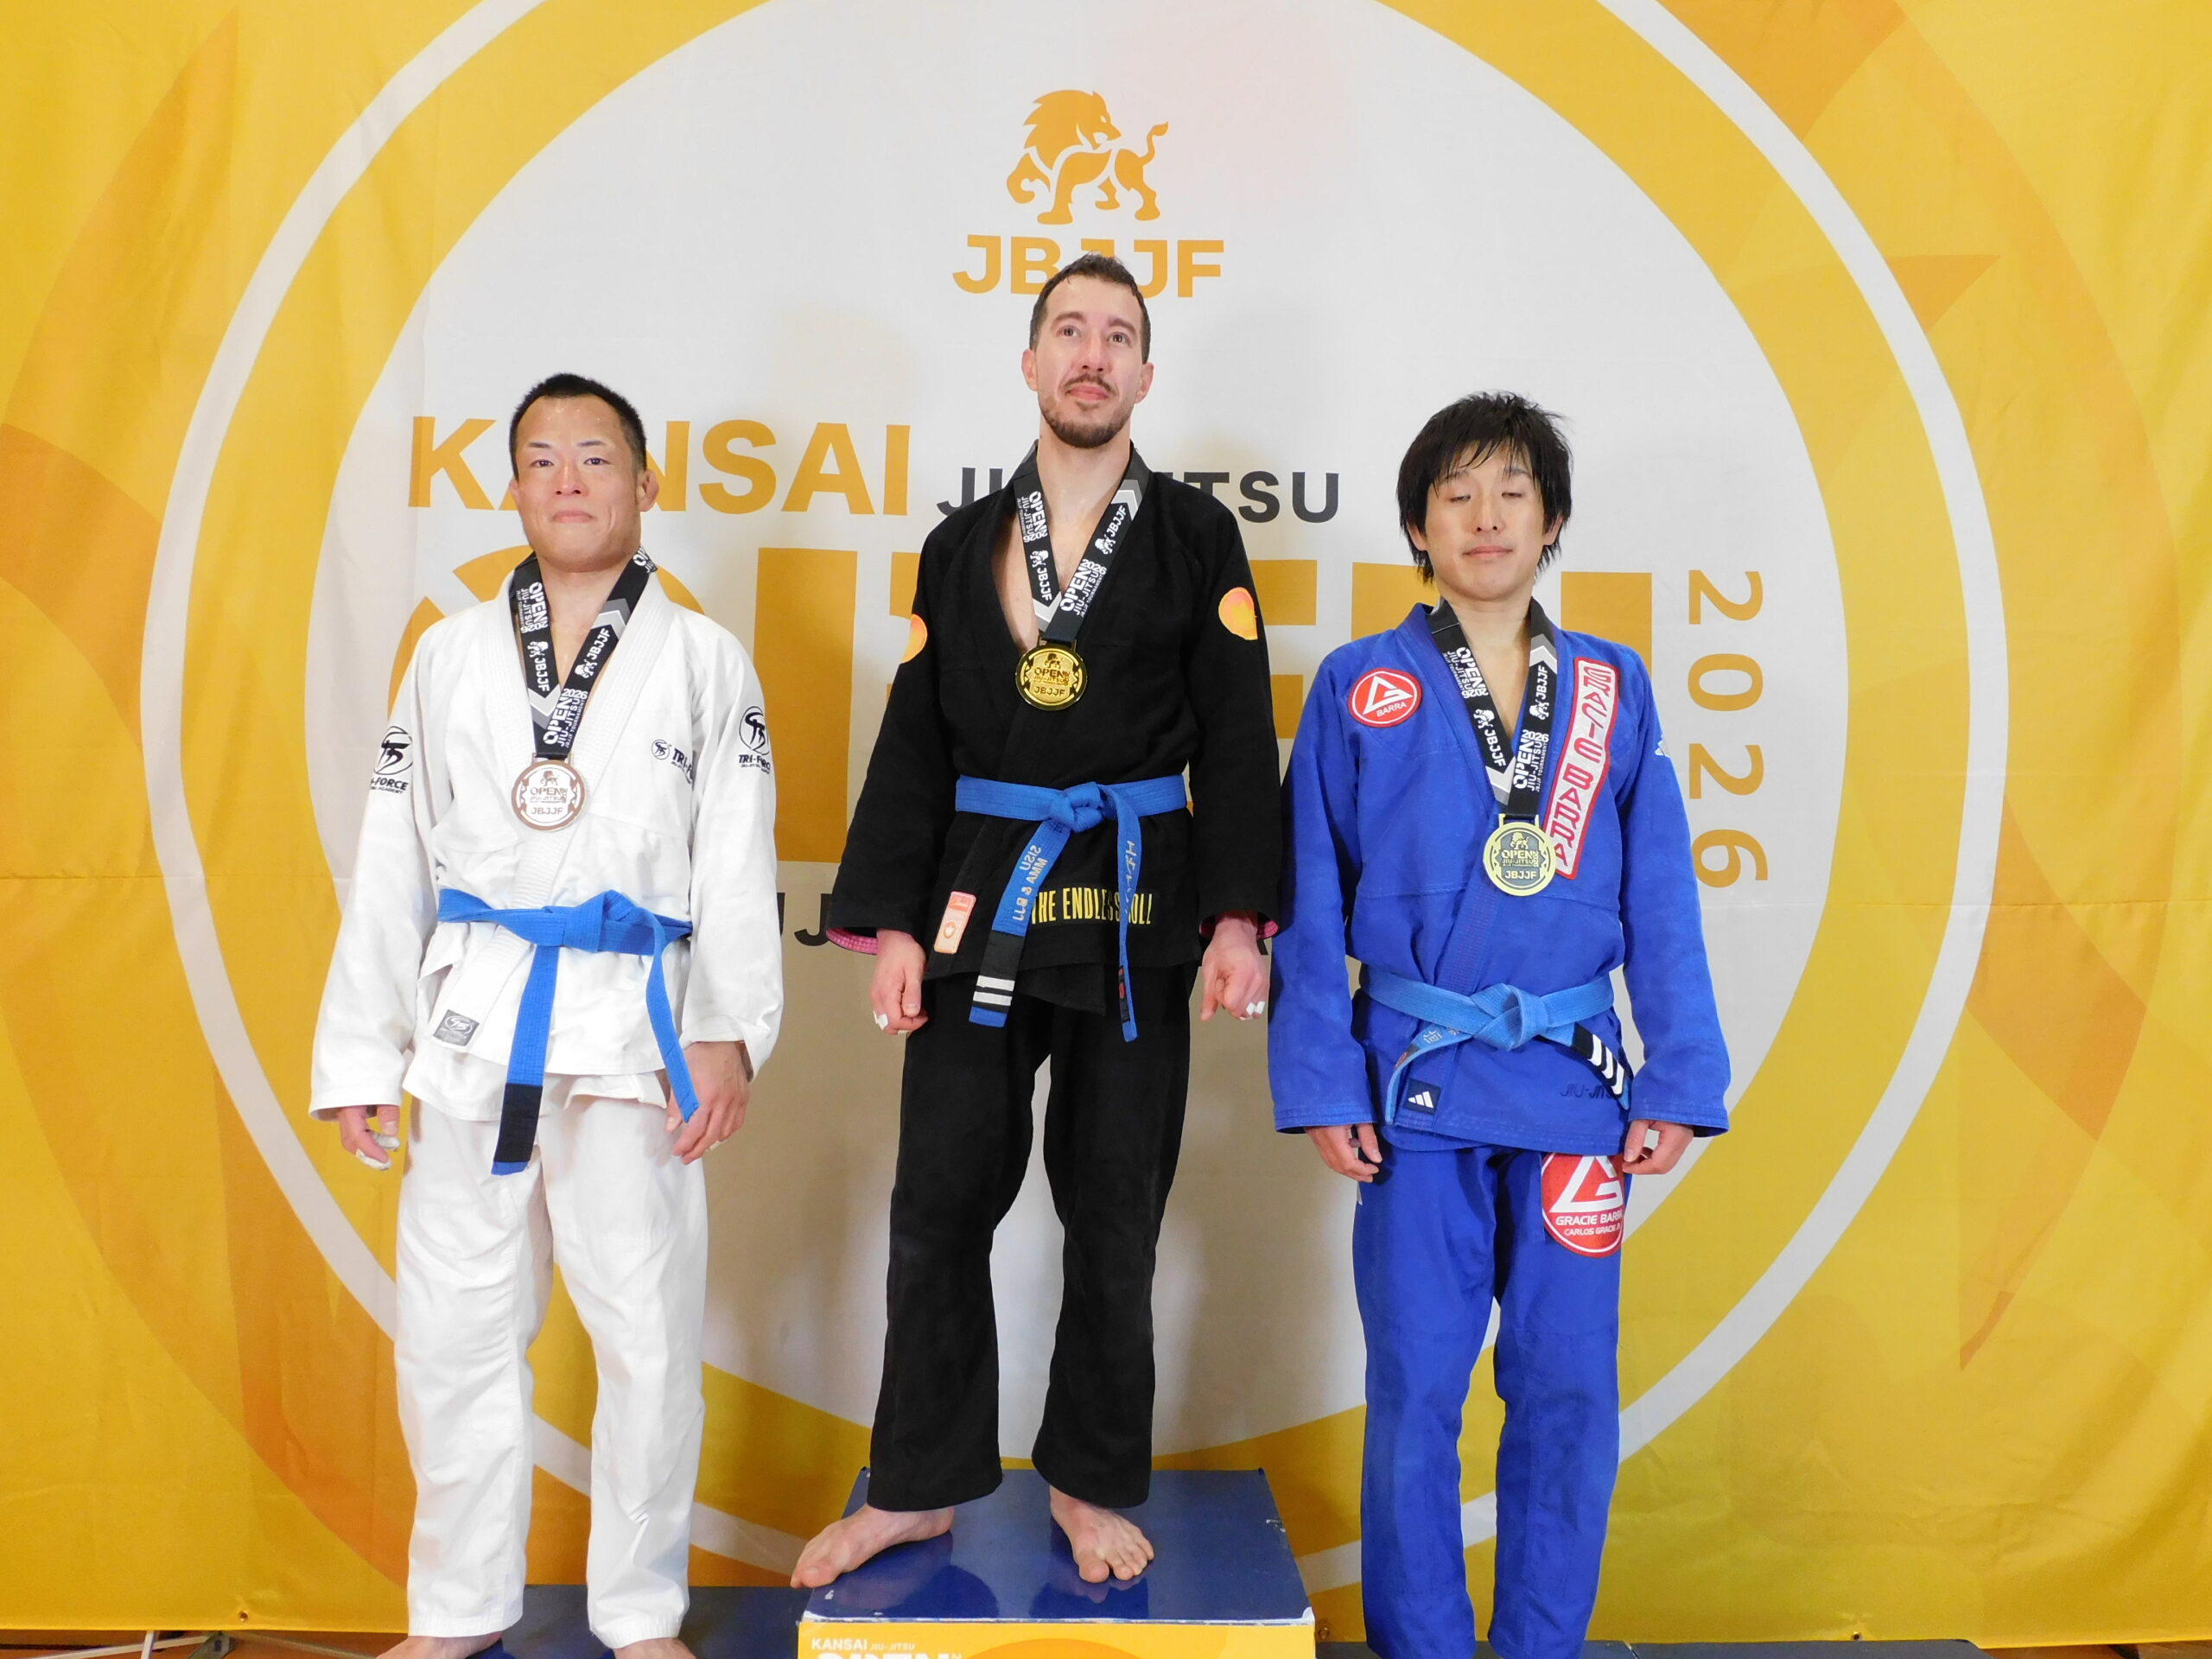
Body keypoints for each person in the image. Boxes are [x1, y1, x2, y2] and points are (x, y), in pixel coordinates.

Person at [791, 253, 1281, 1588]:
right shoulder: (961, 546)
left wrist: (1238, 919)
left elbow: (1239, 737)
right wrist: (894, 925)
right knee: (938, 1202)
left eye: (1118, 336)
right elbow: (915, 740)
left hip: (1134, 909)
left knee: (1114, 1211)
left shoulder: (1194, 539)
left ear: (1146, 375)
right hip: (978, 906)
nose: (1092, 354)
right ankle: (916, 1485)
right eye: (1069, 329)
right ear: (1029, 361)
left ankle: (1088, 1478)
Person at [310, 373, 783, 1659]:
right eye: (541, 458)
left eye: (595, 455)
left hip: (635, 1033)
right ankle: (456, 1610)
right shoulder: (449, 654)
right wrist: (362, 1049)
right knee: (454, 1335)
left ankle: (639, 1611)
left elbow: (737, 857)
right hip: (475, 1028)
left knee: (647, 1339)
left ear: (646, 481)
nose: (568, 479)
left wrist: (729, 1030)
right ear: (513, 487)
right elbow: (392, 857)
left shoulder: (703, 659)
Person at [1268, 393, 1730, 1659]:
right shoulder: (1360, 685)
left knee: (1569, 1390)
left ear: (1552, 521)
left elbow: (1662, 898)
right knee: (1417, 1392)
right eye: (1457, 495)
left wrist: (1679, 1073)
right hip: (1415, 1088)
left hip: (1576, 1092)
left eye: (1513, 493)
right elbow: (1310, 898)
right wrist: (1323, 1078)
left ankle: (1540, 1648)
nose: (1486, 518)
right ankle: (1421, 1648)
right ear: (1418, 525)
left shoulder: (1613, 688)